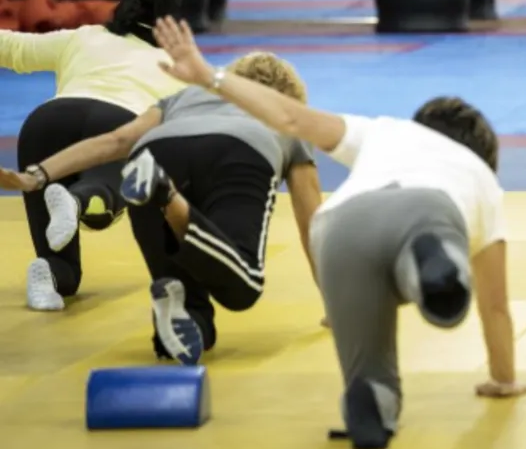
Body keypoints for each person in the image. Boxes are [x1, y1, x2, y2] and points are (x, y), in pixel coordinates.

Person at [148, 16, 526, 449]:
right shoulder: (480, 177)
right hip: (425, 212)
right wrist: (504, 379)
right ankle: (431, 262)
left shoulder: (384, 131)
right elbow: (495, 307)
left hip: (340, 230)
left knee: (370, 373)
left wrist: (210, 76)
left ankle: (373, 402)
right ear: (483, 156)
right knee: (425, 258)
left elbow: (289, 116)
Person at [0, 52, 322, 366]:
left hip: (156, 152)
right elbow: (312, 221)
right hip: (237, 153)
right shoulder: (288, 113)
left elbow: (116, 140)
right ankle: (167, 194)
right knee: (242, 286)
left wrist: (36, 175)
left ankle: (165, 196)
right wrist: (335, 303)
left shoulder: (186, 97)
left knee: (184, 305)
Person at [0, 0, 184, 312]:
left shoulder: (84, 36)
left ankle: (50, 273)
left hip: (45, 124)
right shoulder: (178, 63)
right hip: (119, 122)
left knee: (65, 268)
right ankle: (77, 200)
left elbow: (11, 47)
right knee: (119, 189)